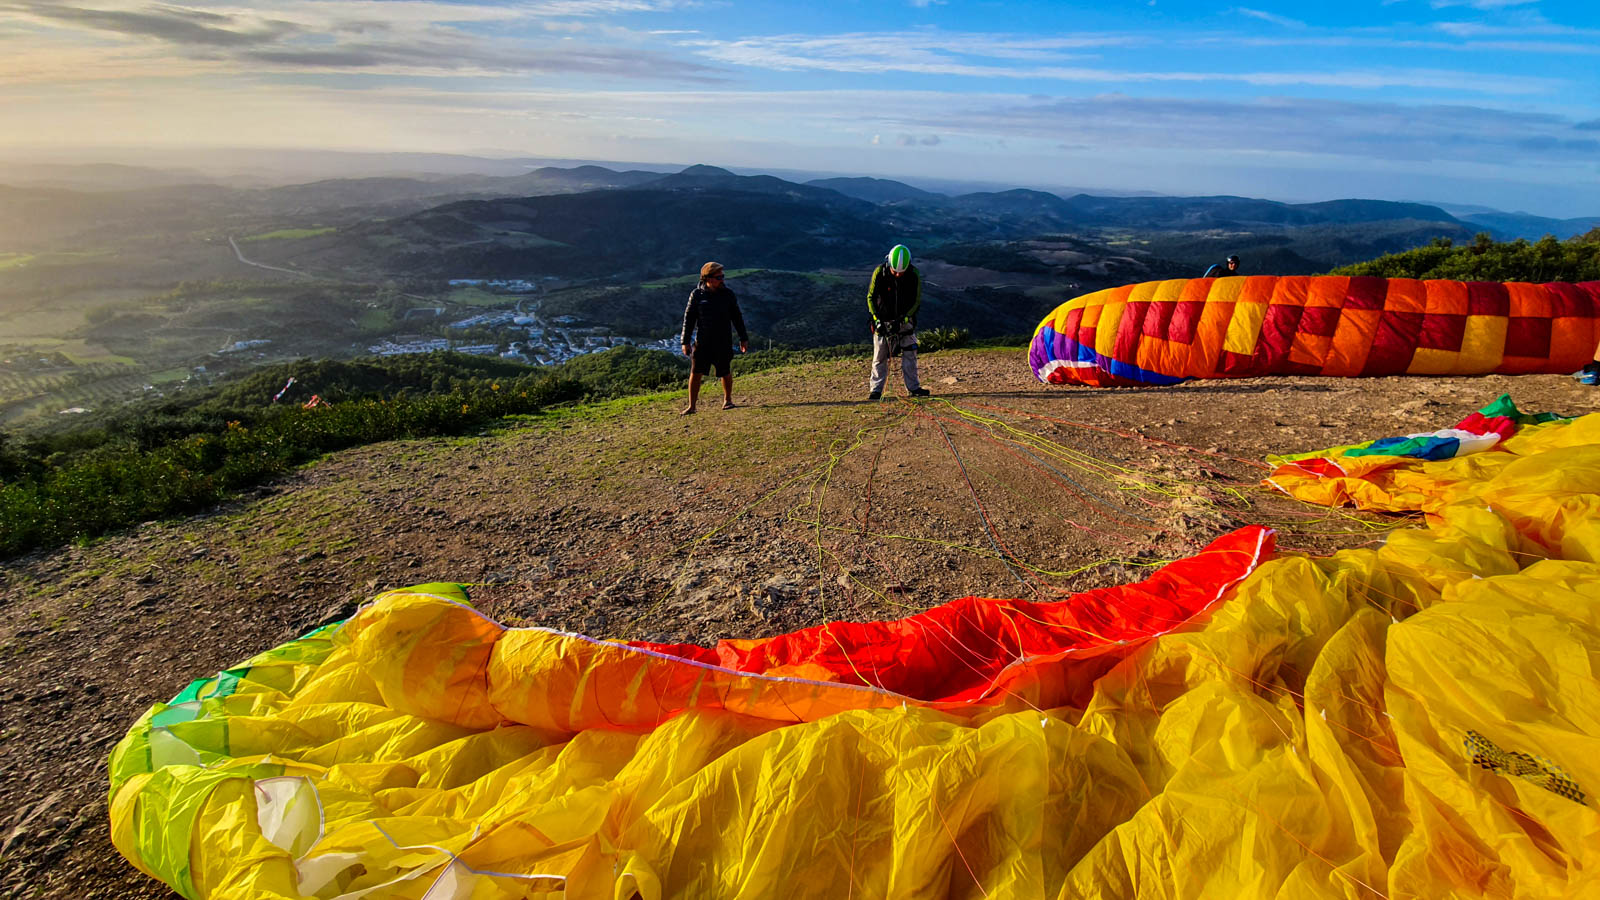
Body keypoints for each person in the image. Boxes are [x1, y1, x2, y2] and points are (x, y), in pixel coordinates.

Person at [680, 261, 749, 414]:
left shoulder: (728, 294)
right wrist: (685, 341)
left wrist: (743, 338)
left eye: (722, 276)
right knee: (695, 372)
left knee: (725, 371)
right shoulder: (696, 295)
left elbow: (737, 317)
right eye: (719, 277)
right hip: (702, 341)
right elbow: (689, 319)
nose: (722, 280)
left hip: (723, 340)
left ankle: (728, 400)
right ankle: (692, 406)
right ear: (708, 278)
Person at [866, 244, 929, 400]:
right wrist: (877, 319)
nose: (898, 275)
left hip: (905, 320)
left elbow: (916, 301)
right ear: (888, 263)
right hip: (883, 319)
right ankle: (876, 390)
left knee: (910, 353)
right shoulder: (880, 272)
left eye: (902, 272)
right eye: (895, 271)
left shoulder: (913, 275)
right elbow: (871, 297)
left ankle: (913, 388)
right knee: (880, 355)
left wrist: (904, 319)